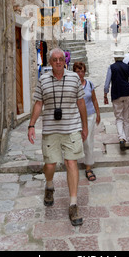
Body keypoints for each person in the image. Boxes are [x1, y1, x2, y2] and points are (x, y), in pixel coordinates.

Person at [27, 48, 88, 226]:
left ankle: (73, 204)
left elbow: (81, 102)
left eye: (61, 59)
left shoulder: (74, 78)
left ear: (65, 61)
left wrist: (84, 126)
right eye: (55, 60)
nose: (58, 62)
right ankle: (49, 184)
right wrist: (31, 124)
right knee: (50, 165)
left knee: (71, 163)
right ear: (50, 62)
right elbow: (39, 103)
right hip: (51, 130)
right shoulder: (43, 79)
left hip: (71, 128)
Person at [104, 49, 129, 151]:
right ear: (122, 58)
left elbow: (107, 83)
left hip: (116, 93)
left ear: (114, 58)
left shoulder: (111, 67)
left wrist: (105, 94)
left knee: (119, 118)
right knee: (126, 118)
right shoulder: (127, 67)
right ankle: (127, 141)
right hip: (127, 93)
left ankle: (121, 137)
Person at [73, 62, 101, 181]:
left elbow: (94, 100)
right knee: (75, 141)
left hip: (89, 116)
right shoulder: (71, 85)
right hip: (75, 117)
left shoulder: (89, 84)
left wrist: (98, 113)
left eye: (82, 71)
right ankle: (72, 165)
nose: (80, 74)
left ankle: (88, 167)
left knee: (88, 141)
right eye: (78, 71)